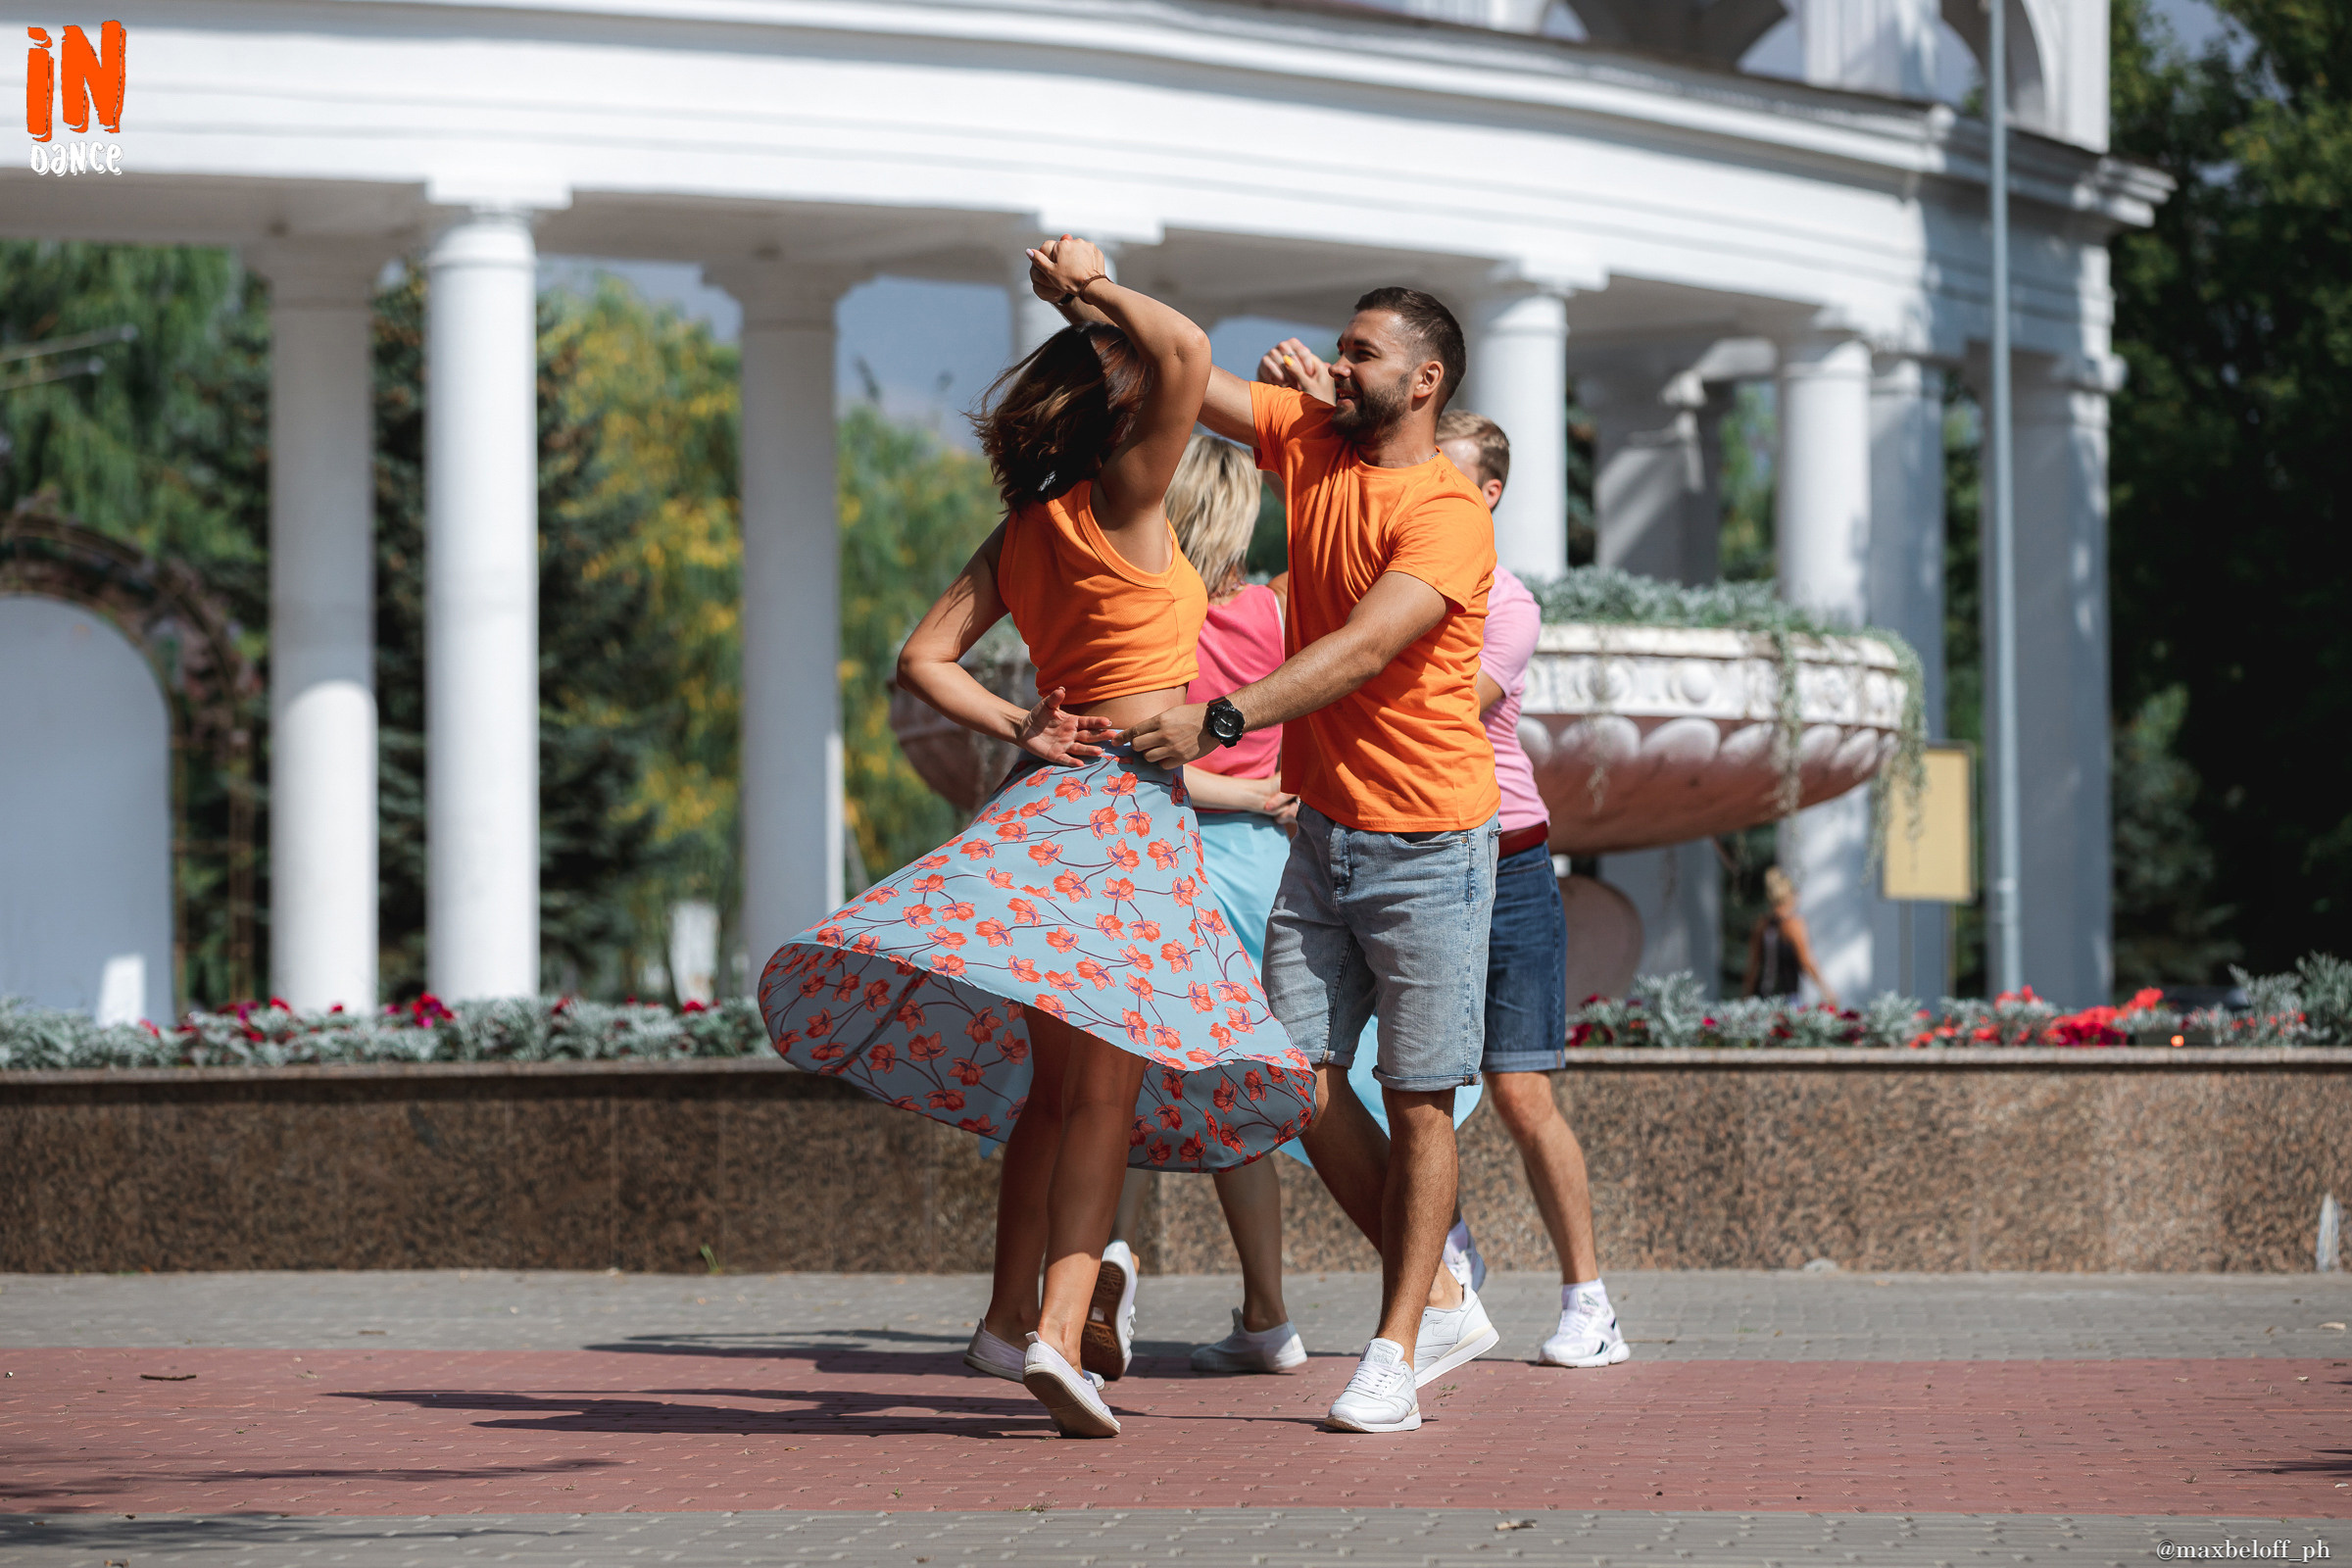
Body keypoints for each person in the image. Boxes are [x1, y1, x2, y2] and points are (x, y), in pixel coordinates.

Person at [760, 237, 1314, 1441]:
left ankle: (1008, 1318)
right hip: (1128, 829)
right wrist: (1091, 287)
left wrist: (1024, 718)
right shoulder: (1128, 498)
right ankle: (1060, 1338)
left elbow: (917, 661)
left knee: (1052, 1098)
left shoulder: (1025, 531)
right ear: (1124, 417)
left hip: (1040, 813)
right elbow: (1189, 349)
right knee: (1102, 1095)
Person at [1179, 392, 1629, 1378]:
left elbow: (1425, 695)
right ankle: (1441, 1275)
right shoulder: (1380, 563)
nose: (1419, 495)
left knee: (1516, 1091)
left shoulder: (1502, 602)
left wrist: (1239, 713)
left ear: (1487, 494)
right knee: (1324, 1076)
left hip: (1499, 860)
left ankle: (1585, 1295)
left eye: (1446, 479)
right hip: (1379, 838)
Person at [1121, 286, 1502, 1436]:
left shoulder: (1446, 508)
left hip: (1431, 838)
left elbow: (1363, 646)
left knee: (1420, 1094)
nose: (1340, 366)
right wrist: (1100, 293)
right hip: (1326, 832)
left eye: (1363, 353)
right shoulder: (1311, 440)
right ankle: (1437, 1288)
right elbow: (1193, 373)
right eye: (1337, 347)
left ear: (1424, 380)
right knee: (1291, 1081)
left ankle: (1393, 1351)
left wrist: (1218, 723)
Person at [1742, 866, 1840, 1006]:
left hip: (1763, 998)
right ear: (1790, 896)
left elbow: (1752, 966)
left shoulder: (1762, 925)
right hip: (1787, 999)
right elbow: (1806, 961)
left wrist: (1745, 997)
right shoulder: (1794, 925)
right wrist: (1827, 991)